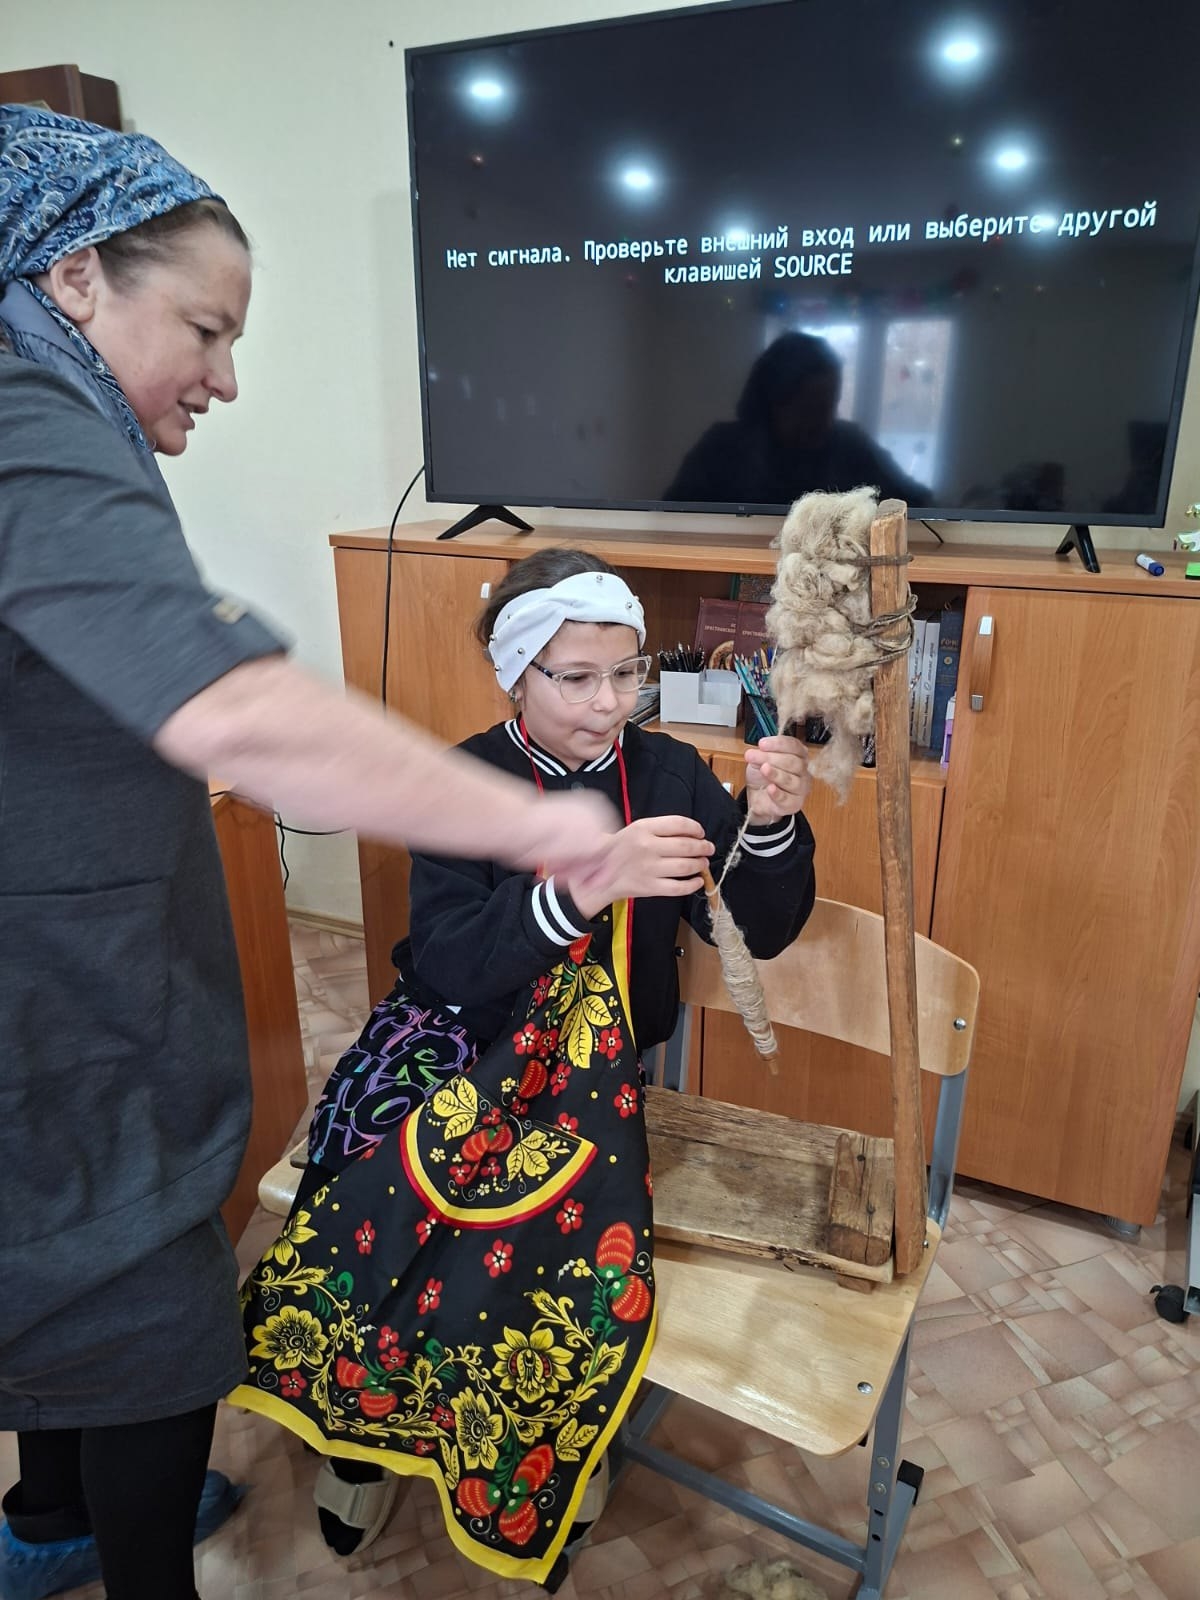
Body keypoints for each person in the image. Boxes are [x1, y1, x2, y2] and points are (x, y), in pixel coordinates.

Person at [0, 106, 613, 1600]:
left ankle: (46, 1514)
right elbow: (229, 705)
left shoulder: (56, 403)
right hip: (56, 1009)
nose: (224, 376)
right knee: (143, 1301)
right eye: (204, 329)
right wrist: (540, 829)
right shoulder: (21, 408)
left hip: (65, 978)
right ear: (75, 278)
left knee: (60, 1267)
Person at [234, 547, 818, 1585]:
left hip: (597, 1071)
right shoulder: (461, 779)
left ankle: (543, 1445)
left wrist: (769, 827)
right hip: (458, 1041)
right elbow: (450, 959)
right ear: (516, 674)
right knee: (368, 1182)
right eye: (576, 677)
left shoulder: (670, 773)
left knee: (562, 1250)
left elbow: (758, 928)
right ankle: (362, 1437)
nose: (610, 702)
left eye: (627, 672)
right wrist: (586, 886)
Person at [664, 331, 932, 507]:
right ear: (772, 401)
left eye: (830, 406)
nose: (824, 421)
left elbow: (914, 500)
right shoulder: (721, 446)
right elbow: (675, 508)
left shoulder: (851, 444)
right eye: (811, 408)